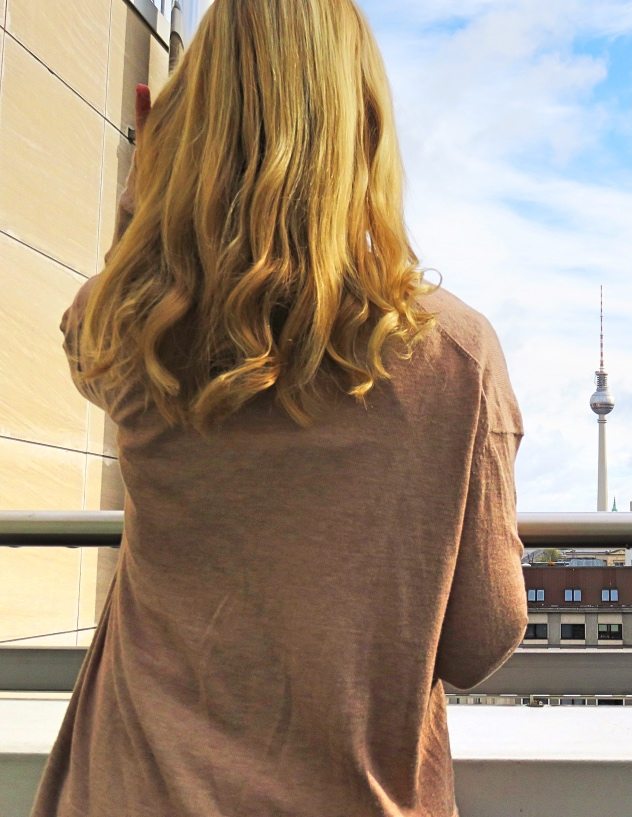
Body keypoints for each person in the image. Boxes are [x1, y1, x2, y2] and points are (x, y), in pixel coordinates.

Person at [30, 1, 528, 815]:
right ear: (362, 127)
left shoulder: (130, 326)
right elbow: (481, 638)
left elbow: (101, 321)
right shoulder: (458, 356)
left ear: (189, 126)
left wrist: (147, 191)